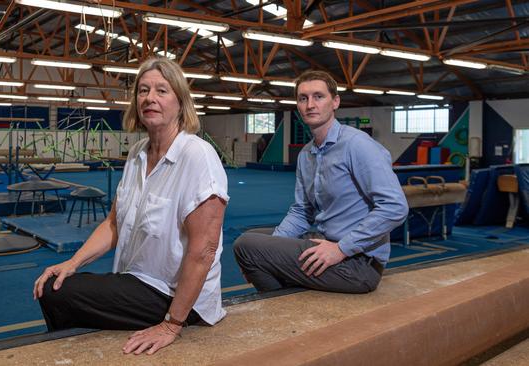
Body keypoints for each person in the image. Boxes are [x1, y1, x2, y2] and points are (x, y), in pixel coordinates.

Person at [34, 57, 229, 355]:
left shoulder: (197, 156)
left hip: (175, 297)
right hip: (135, 282)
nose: (150, 98)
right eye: (143, 90)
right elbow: (114, 223)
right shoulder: (137, 154)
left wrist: (172, 324)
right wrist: (72, 263)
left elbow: (203, 251)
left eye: (162, 91)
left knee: (56, 293)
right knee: (59, 281)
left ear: (180, 102)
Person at [233, 70, 408, 294]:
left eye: (318, 96)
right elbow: (302, 211)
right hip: (325, 243)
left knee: (245, 245)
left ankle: (280, 300)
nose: (310, 105)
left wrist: (342, 249)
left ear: (335, 102)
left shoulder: (357, 145)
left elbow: (395, 207)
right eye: (303, 98)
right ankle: (282, 296)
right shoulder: (307, 154)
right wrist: (269, 251)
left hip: (357, 263)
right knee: (259, 238)